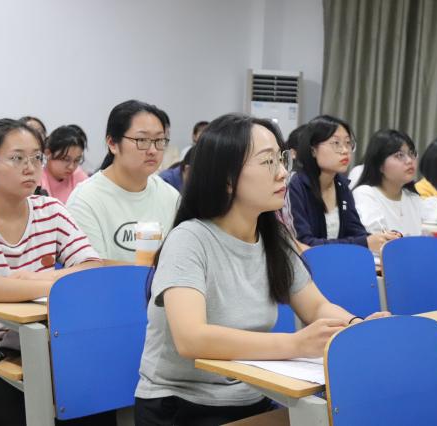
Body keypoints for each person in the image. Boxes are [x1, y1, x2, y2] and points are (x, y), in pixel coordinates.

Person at [134, 113, 389, 425]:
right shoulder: (189, 239)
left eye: (282, 159)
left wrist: (356, 328)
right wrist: (295, 344)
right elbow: (192, 338)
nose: (282, 173)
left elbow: (316, 307)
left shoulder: (273, 236)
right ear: (227, 178)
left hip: (252, 394)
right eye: (268, 161)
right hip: (181, 406)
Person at [0, 118, 112, 425]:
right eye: (17, 158)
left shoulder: (51, 211)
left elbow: (92, 269)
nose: (30, 168)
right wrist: (54, 284)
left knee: (92, 400)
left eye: (36, 158)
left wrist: (39, 278)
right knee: (26, 412)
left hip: (37, 346)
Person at [67, 100, 180, 262]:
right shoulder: (85, 200)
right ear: (112, 143)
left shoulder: (170, 196)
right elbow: (91, 270)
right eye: (142, 140)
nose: (153, 150)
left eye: (159, 140)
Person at [287, 116, 399, 251]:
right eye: (336, 143)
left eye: (348, 143)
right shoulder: (295, 186)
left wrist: (381, 238)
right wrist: (364, 242)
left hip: (338, 261)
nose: (345, 150)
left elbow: (357, 233)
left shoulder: (341, 185)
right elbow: (303, 243)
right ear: (313, 150)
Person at [353, 129, 437, 236]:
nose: (409, 160)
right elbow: (379, 239)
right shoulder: (365, 194)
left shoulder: (413, 198)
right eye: (399, 155)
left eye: (412, 153)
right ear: (379, 164)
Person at [41, 124, 89, 203]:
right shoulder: (38, 179)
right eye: (66, 159)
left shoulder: (79, 176)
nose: (71, 167)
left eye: (77, 160)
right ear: (48, 153)